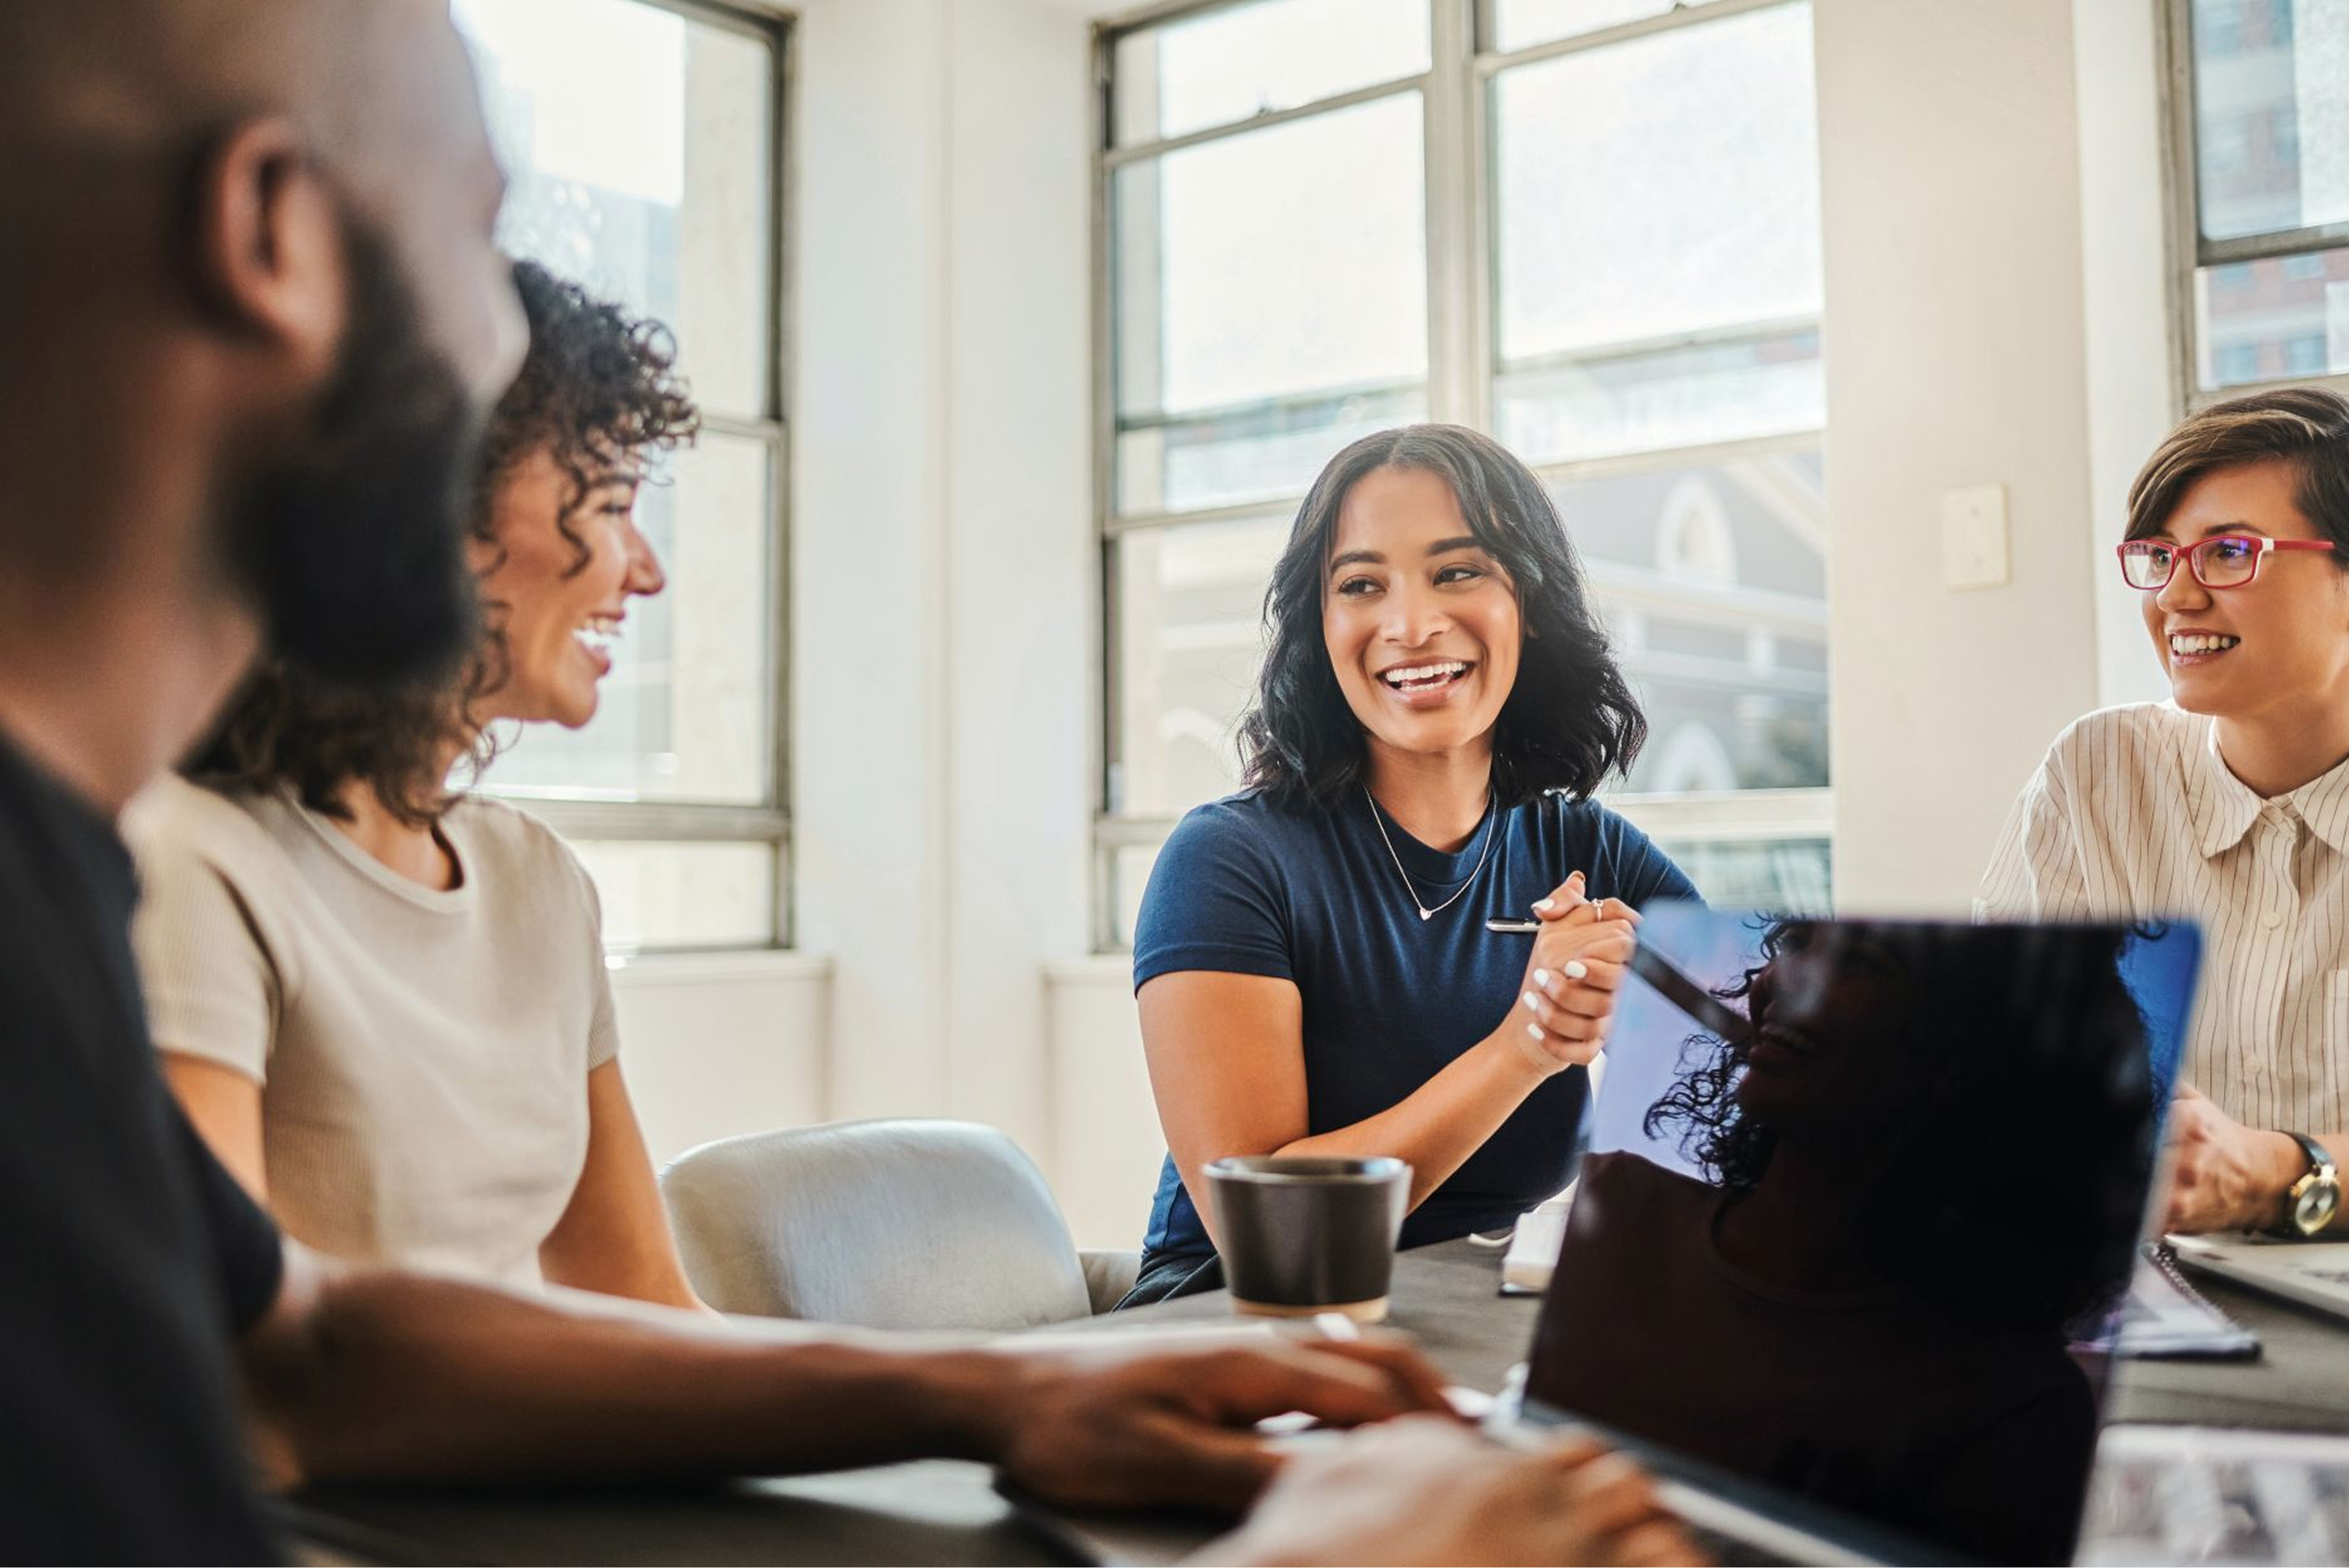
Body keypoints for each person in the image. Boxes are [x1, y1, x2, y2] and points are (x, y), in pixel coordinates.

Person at [0, 4, 1695, 1564]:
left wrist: (997, 1390)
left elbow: (305, 1337)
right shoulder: (143, 881)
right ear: (276, 234)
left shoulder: (74, 871)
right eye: (478, 234)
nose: (510, 344)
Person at [128, 260, 703, 1306]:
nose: (646, 568)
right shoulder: (192, 863)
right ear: (446, 502)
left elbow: (649, 1299)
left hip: (540, 1472)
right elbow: (252, 1357)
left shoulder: (540, 882)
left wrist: (937, 1406)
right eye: (611, 498)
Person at [1125, 424, 1699, 1306]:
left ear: (1529, 602)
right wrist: (1529, 1044)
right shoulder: (1228, 861)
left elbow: (1772, 1081)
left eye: (1458, 571)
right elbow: (1268, 1228)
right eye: (1362, 585)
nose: (1411, 625)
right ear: (1321, 627)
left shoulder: (1591, 852)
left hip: (1486, 1313)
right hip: (1244, 1322)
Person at [1534, 920, 2156, 1564]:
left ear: (1980, 1051)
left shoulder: (2014, 1408)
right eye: (1799, 943)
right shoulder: (1613, 1201)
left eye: (1862, 961)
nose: (1781, 979)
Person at [1978, 388, 2349, 1236]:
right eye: (2159, 555)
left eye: (2228, 553)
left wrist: (2280, 1174)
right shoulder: (2097, 776)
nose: (2175, 597)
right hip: (2127, 1303)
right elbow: (1996, 1060)